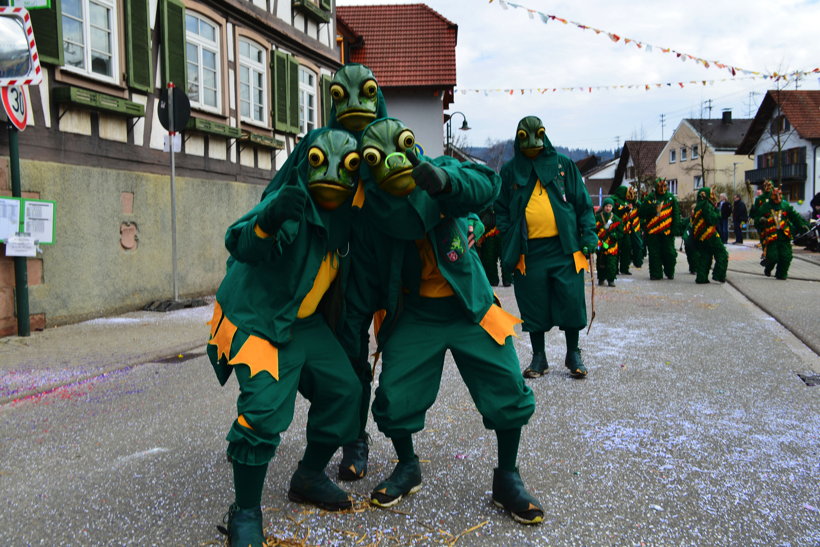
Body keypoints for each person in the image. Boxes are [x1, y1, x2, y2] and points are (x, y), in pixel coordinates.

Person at [341, 117, 544, 525]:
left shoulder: (434, 168)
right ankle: (407, 464)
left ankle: (508, 476)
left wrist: (445, 184)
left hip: (469, 302)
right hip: (414, 312)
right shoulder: (369, 211)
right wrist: (353, 342)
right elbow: (361, 281)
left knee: (507, 385)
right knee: (394, 398)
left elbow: (487, 183)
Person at [206, 129, 365, 546]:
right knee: (262, 412)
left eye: (347, 167)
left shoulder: (350, 215)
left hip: (304, 323)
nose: (332, 174)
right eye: (319, 162)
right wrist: (269, 220)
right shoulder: (290, 203)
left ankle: (309, 475)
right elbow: (238, 240)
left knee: (345, 391)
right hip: (259, 318)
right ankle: (244, 511)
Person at [495, 116, 597, 379]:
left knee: (572, 299)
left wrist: (588, 236)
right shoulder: (509, 171)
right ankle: (539, 357)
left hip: (566, 248)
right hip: (529, 252)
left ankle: (573, 353)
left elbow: (582, 203)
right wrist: (508, 234)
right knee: (533, 302)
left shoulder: (564, 166)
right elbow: (501, 208)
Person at [757, 187, 809, 279]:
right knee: (772, 257)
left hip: (784, 235)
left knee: (786, 256)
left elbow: (795, 217)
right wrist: (761, 220)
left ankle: (781, 274)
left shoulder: (785, 205)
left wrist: (802, 225)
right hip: (771, 237)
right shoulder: (765, 207)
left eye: (780, 194)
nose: (778, 197)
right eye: (775, 195)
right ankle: (768, 268)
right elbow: (757, 219)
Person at [639, 178, 681, 280]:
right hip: (653, 232)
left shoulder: (671, 198)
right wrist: (653, 207)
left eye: (665, 186)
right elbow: (641, 212)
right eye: (660, 186)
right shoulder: (650, 197)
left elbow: (676, 214)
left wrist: (675, 229)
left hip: (667, 232)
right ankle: (656, 273)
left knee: (670, 253)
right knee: (654, 254)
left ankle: (669, 271)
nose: (662, 189)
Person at [691, 187, 728, 284]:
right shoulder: (706, 205)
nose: (713, 196)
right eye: (711, 194)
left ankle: (701, 278)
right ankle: (718, 275)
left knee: (705, 256)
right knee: (722, 253)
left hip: (700, 236)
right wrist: (717, 211)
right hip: (709, 234)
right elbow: (712, 219)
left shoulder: (698, 206)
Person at [476, 206, 513, 287]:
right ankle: (492, 279)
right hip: (487, 229)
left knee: (505, 256)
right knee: (489, 257)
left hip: (504, 228)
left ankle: (507, 279)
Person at [611, 185, 642, 275]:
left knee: (627, 249)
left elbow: (639, 206)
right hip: (617, 229)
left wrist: (635, 199)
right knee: (616, 249)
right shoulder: (614, 200)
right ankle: (615, 268)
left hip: (627, 229)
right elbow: (616, 213)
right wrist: (625, 209)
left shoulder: (627, 200)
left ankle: (624, 268)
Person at [594, 197, 623, 287]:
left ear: (612, 207)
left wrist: (615, 236)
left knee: (612, 263)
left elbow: (621, 233)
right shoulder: (597, 218)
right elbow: (593, 230)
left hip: (612, 245)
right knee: (600, 263)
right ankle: (601, 279)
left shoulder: (617, 219)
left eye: (610, 206)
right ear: (603, 206)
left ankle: (611, 280)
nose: (608, 208)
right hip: (601, 244)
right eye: (606, 206)